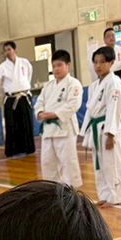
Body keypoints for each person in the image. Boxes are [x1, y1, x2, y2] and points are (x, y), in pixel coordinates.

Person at [79, 46, 121, 208]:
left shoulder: (114, 82)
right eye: (95, 62)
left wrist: (111, 134)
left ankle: (116, 196)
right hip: (95, 128)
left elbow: (115, 108)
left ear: (112, 62)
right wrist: (84, 132)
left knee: (111, 163)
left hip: (107, 128)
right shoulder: (94, 86)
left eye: (102, 62)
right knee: (99, 164)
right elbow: (89, 111)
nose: (98, 66)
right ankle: (105, 194)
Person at [34, 49, 83, 188]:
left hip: (64, 128)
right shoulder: (48, 86)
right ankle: (51, 192)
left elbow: (74, 104)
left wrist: (54, 114)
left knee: (68, 162)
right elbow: (39, 103)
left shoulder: (73, 84)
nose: (56, 69)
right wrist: (41, 113)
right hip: (48, 130)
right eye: (54, 66)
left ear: (69, 65)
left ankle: (72, 192)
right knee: (47, 163)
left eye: (59, 65)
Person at [0, 41, 36, 157]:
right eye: (5, 50)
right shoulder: (2, 67)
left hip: (24, 96)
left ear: (15, 50)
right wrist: (4, 93)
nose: (7, 52)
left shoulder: (24, 62)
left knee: (26, 123)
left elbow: (29, 76)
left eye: (9, 49)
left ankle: (28, 148)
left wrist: (24, 88)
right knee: (12, 124)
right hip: (11, 98)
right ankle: (14, 150)